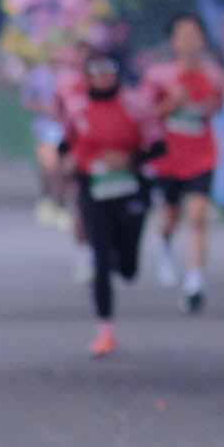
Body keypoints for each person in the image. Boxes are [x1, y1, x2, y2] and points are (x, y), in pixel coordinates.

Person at [63, 46, 156, 360]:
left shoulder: (137, 105)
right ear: (87, 75)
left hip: (131, 190)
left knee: (127, 266)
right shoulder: (77, 108)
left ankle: (121, 261)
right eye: (96, 71)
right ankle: (104, 330)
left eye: (108, 69)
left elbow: (158, 146)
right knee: (100, 260)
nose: (102, 76)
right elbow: (65, 144)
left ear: (118, 72)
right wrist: (68, 163)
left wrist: (129, 159)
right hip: (94, 191)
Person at [142, 12, 223, 311]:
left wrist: (208, 107)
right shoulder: (158, 75)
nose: (189, 41)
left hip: (201, 154)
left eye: (194, 35)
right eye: (182, 35)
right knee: (171, 215)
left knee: (198, 216)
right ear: (173, 41)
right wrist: (172, 104)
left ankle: (194, 283)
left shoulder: (213, 75)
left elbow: (219, 104)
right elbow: (146, 113)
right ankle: (164, 243)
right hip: (168, 156)